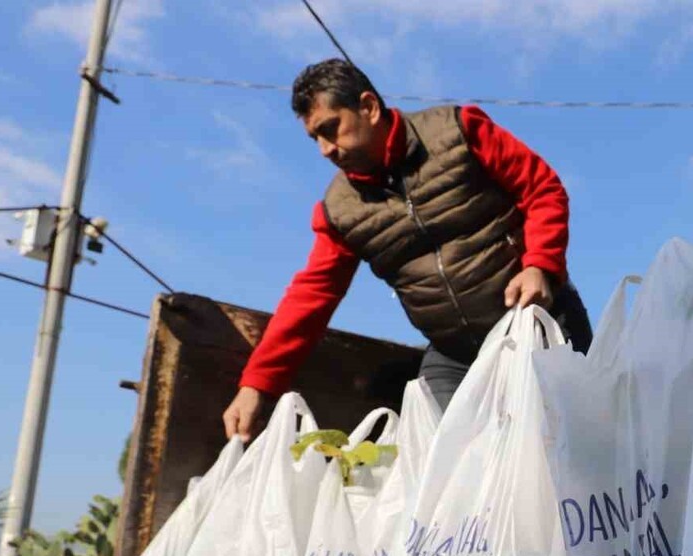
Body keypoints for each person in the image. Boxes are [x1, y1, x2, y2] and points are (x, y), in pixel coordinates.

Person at [223, 59, 592, 439]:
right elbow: (312, 295)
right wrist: (257, 384)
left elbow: (542, 190)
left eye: (330, 129)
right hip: (456, 355)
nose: (324, 149)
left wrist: (540, 265)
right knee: (447, 452)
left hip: (540, 322)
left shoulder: (459, 130)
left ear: (368, 107)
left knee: (569, 442)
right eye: (314, 138)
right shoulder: (339, 211)